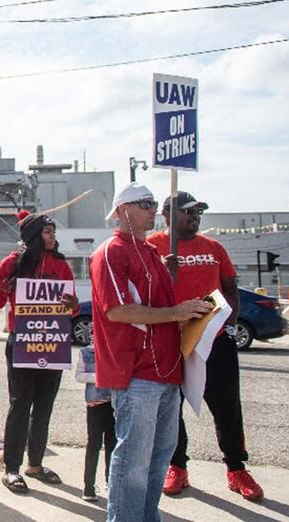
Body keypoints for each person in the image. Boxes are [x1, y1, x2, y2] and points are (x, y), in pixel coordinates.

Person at [90, 182, 211, 522]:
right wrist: (177, 312)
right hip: (136, 372)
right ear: (123, 209)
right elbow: (118, 310)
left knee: (160, 457)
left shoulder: (152, 253)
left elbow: (160, 307)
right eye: (146, 204)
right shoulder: (111, 251)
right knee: (133, 461)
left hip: (167, 371)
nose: (153, 210)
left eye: (154, 203)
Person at [147, 192, 263, 501]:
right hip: (170, 339)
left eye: (198, 211)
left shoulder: (214, 247)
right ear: (167, 214)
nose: (195, 216)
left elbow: (230, 288)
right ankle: (177, 466)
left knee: (227, 406)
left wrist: (227, 323)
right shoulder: (152, 248)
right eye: (188, 212)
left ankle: (237, 468)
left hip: (214, 339)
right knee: (171, 407)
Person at [0, 210, 78, 493]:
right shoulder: (13, 262)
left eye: (53, 232)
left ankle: (35, 465)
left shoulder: (61, 265)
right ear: (34, 235)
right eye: (48, 232)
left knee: (44, 406)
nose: (53, 237)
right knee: (21, 404)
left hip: (54, 341)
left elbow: (71, 306)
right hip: (22, 340)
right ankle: (11, 469)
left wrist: (71, 302)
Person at [75, 342, 114, 502]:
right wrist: (100, 376)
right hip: (94, 404)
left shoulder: (115, 349)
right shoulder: (86, 352)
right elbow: (79, 375)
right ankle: (88, 486)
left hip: (113, 403)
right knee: (93, 445)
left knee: (112, 445)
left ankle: (110, 483)